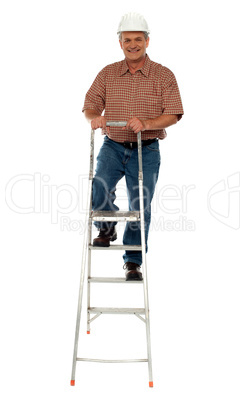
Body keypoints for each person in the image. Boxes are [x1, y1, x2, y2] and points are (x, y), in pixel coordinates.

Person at [82, 12, 184, 281]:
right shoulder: (108, 73)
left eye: (138, 39)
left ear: (147, 41)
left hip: (146, 149)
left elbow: (173, 114)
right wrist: (96, 118)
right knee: (99, 185)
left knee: (141, 205)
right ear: (120, 42)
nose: (133, 44)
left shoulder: (164, 75)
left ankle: (133, 260)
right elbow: (90, 106)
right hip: (112, 146)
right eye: (127, 40)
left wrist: (148, 122)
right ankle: (106, 227)